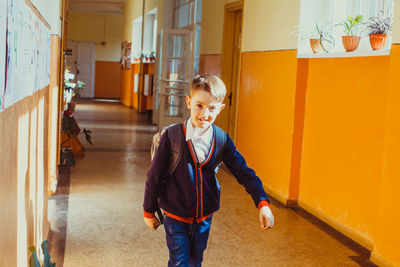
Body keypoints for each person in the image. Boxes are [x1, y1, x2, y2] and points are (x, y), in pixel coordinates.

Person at [143, 74, 274, 267]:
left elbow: (244, 173)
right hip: (175, 216)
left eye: (211, 108)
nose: (205, 113)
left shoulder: (221, 139)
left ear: (220, 108)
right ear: (189, 102)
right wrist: (148, 211)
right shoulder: (172, 137)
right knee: (180, 262)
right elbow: (154, 176)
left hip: (204, 219)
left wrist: (262, 203)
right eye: (199, 105)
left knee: (195, 261)